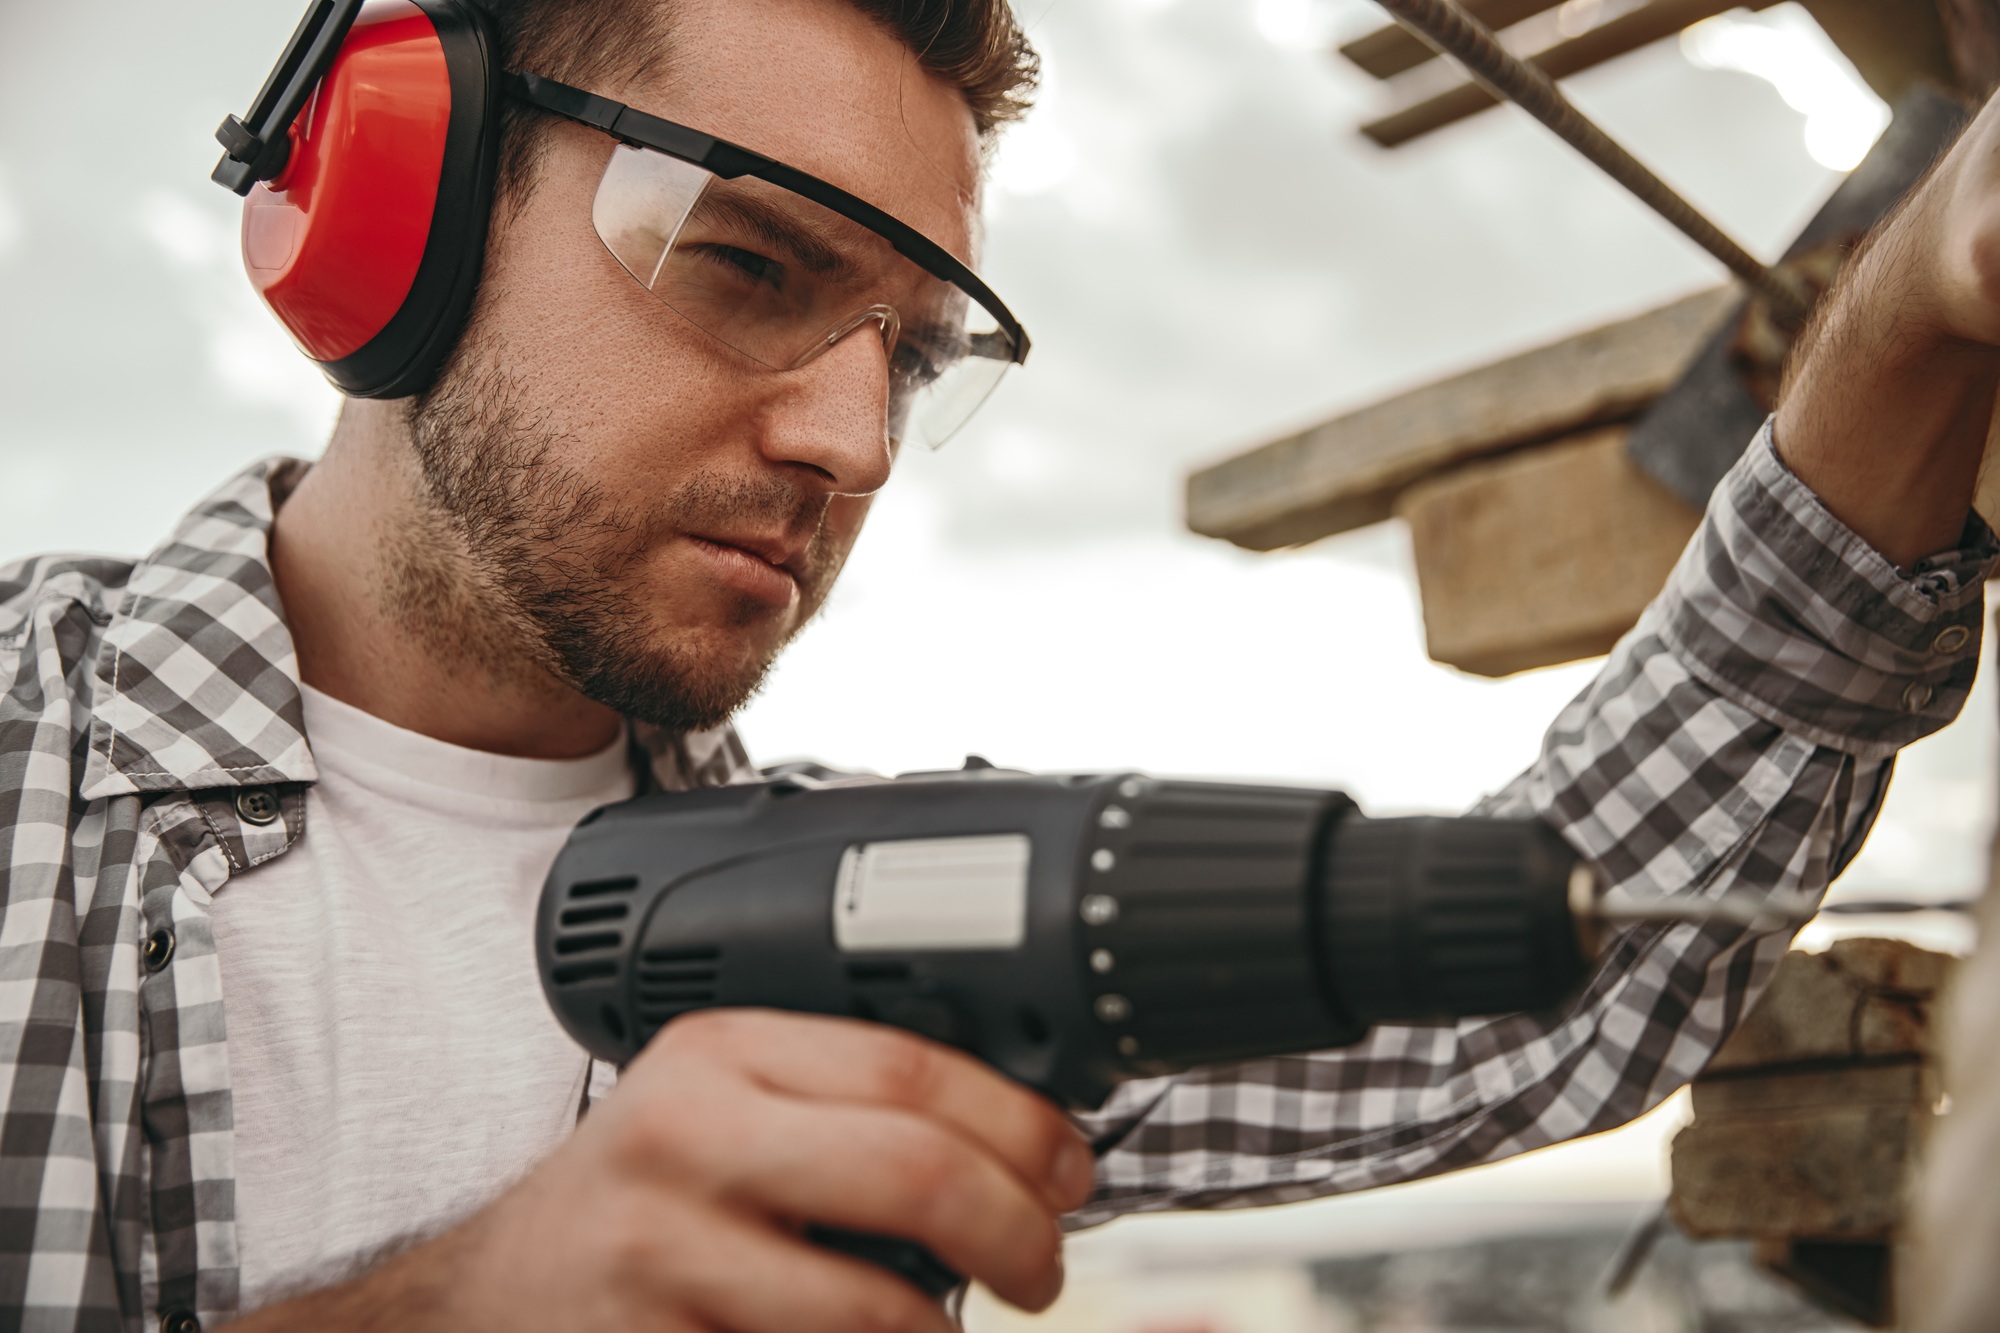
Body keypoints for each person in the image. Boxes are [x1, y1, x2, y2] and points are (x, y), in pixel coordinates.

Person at [2, 0, 1996, 1327]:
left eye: (912, 356)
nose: (851, 444)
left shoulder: (852, 927)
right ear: (392, 209)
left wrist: (1912, 312)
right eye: (751, 264)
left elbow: (1538, 988)